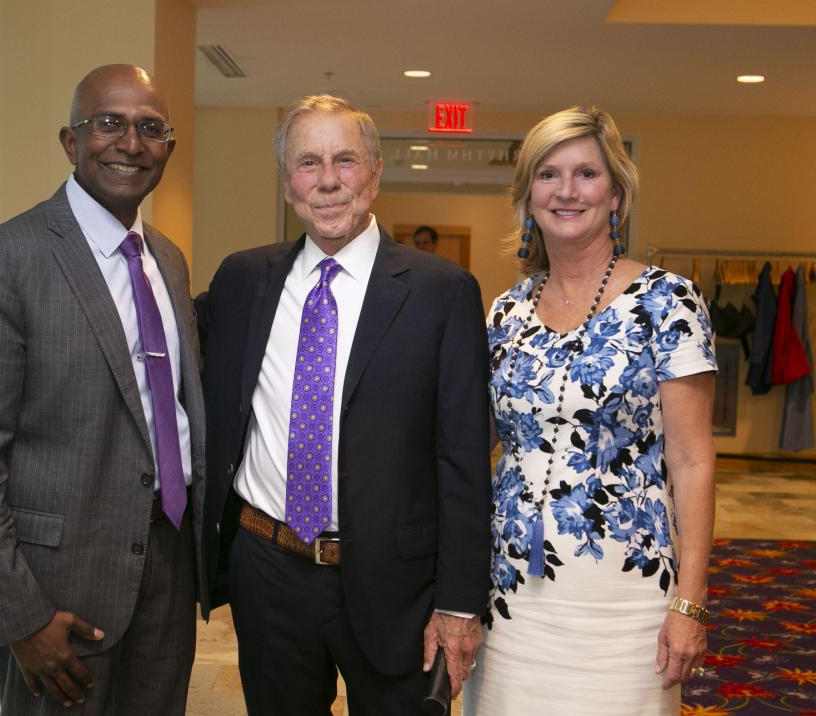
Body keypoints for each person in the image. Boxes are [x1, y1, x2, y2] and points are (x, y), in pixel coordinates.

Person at [196, 94, 491, 714]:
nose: (328, 180)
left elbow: (463, 458)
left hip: (397, 584)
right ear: (286, 184)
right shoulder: (241, 281)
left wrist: (460, 603)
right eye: (308, 163)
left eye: (345, 160)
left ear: (376, 173)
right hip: (269, 570)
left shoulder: (442, 294)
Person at [0, 64, 205, 715]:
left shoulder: (167, 259)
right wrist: (19, 616)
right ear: (70, 142)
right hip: (58, 590)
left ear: (168, 146)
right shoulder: (5, 258)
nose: (130, 143)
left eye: (150, 128)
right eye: (108, 123)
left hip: (166, 571)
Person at [462, 106, 716, 715]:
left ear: (617, 195)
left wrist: (690, 602)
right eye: (548, 175)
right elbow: (473, 450)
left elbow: (691, 460)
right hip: (510, 597)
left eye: (586, 174)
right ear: (528, 197)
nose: (567, 191)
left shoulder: (668, 301)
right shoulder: (504, 313)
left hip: (625, 601)